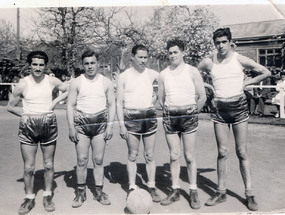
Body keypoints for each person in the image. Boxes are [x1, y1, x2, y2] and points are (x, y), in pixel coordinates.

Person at [198, 28, 271, 211]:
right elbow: (192, 73)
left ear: (230, 42)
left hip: (238, 108)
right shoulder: (209, 62)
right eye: (217, 43)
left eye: (224, 42)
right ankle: (220, 192)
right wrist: (208, 88)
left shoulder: (240, 59)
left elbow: (265, 72)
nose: (221, 46)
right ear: (214, 44)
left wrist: (248, 82)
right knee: (222, 152)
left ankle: (249, 193)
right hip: (219, 110)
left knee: (242, 152)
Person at [7, 51, 69, 215]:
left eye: (41, 64)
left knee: (48, 165)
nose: (38, 68)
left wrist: (54, 102)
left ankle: (47, 196)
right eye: (35, 64)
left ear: (45, 66)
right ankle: (29, 197)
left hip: (48, 124)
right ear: (30, 65)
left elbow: (67, 89)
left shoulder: (51, 80)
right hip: (29, 126)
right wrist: (28, 114)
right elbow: (10, 106)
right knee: (29, 167)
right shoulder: (23, 83)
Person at [158, 39, 206, 209]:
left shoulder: (192, 71)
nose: (172, 56)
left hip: (188, 117)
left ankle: (193, 190)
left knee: (190, 155)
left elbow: (202, 96)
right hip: (171, 116)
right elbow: (160, 98)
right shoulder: (163, 74)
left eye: (175, 52)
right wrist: (169, 110)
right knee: (173, 155)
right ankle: (175, 190)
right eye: (170, 53)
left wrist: (193, 112)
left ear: (183, 52)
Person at [66, 49, 115, 208]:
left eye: (92, 63)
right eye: (86, 63)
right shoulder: (77, 82)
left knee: (99, 160)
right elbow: (70, 105)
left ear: (98, 63)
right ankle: (80, 192)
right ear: (82, 64)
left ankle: (99, 192)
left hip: (100, 123)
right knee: (82, 160)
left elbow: (112, 104)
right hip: (81, 124)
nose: (90, 66)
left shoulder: (106, 81)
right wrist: (71, 127)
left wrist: (109, 127)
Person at [116, 44, 161, 203]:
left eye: (145, 57)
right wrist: (121, 124)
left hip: (148, 116)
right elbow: (119, 103)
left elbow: (167, 82)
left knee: (149, 154)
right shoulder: (124, 76)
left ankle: (152, 185)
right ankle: (132, 186)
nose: (143, 60)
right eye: (140, 57)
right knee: (133, 154)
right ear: (132, 58)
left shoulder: (152, 74)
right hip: (131, 117)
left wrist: (157, 97)